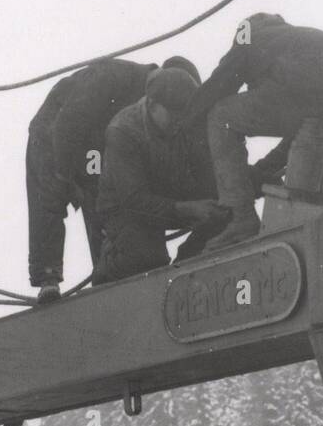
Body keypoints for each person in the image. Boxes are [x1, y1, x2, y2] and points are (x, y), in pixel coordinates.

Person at [183, 14, 323, 249]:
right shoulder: (304, 39)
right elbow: (295, 132)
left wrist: (186, 124)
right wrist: (262, 173)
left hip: (313, 90)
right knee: (311, 133)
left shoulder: (253, 37)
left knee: (220, 117)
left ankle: (241, 217)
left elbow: (219, 84)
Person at [26, 56, 200, 302]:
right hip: (53, 130)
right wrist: (64, 175)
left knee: (102, 201)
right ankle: (48, 279)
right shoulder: (115, 75)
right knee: (50, 196)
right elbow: (69, 121)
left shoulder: (145, 111)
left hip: (94, 148)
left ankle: (105, 273)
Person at [93, 67, 228, 284]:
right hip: (126, 211)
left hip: (170, 196)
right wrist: (188, 209)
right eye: (174, 111)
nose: (180, 119)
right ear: (152, 105)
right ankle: (108, 267)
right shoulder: (122, 131)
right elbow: (133, 201)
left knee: (227, 219)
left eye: (184, 111)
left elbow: (208, 171)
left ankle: (182, 272)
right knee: (147, 258)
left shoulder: (185, 121)